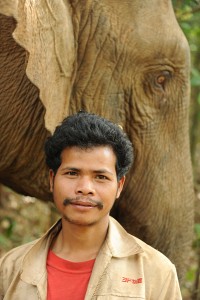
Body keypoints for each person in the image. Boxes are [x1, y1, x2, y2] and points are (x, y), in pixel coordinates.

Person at [0, 111, 182, 299]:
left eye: (100, 177)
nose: (85, 188)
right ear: (52, 179)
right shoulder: (10, 269)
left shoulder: (156, 271)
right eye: (72, 173)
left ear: (119, 186)